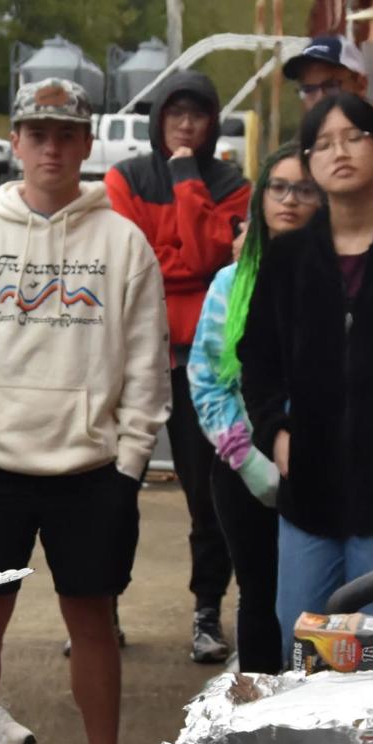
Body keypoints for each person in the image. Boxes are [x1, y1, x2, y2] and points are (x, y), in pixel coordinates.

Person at [0, 78, 170, 744]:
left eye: (66, 135)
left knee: (93, 618)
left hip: (91, 473)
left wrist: (129, 464)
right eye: (38, 134)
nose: (52, 149)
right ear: (16, 143)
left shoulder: (124, 245)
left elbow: (147, 366)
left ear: (88, 143)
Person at [239, 94, 373, 665]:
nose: (340, 152)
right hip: (308, 488)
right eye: (323, 143)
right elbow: (256, 359)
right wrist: (276, 436)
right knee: (304, 648)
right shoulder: (288, 256)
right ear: (308, 162)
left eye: (354, 137)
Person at [106, 71, 249, 664]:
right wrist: (188, 256)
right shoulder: (126, 177)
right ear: (158, 119)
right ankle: (100, 606)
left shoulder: (233, 185)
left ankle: (206, 611)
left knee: (207, 496)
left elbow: (209, 256)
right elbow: (131, 260)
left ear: (212, 122)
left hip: (202, 364)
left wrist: (188, 179)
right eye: (175, 114)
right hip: (136, 356)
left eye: (197, 114)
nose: (185, 124)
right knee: (110, 492)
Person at [189, 144, 322, 672]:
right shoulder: (230, 283)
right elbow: (206, 381)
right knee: (259, 595)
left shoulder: (340, 283)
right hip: (245, 471)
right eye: (278, 187)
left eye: (304, 189)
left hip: (322, 470)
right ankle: (261, 726)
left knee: (316, 605)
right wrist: (252, 464)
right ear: (261, 199)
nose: (290, 200)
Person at [283, 33, 373, 204]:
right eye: (309, 88)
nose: (320, 97)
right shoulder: (285, 164)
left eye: (331, 85)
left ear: (361, 84)